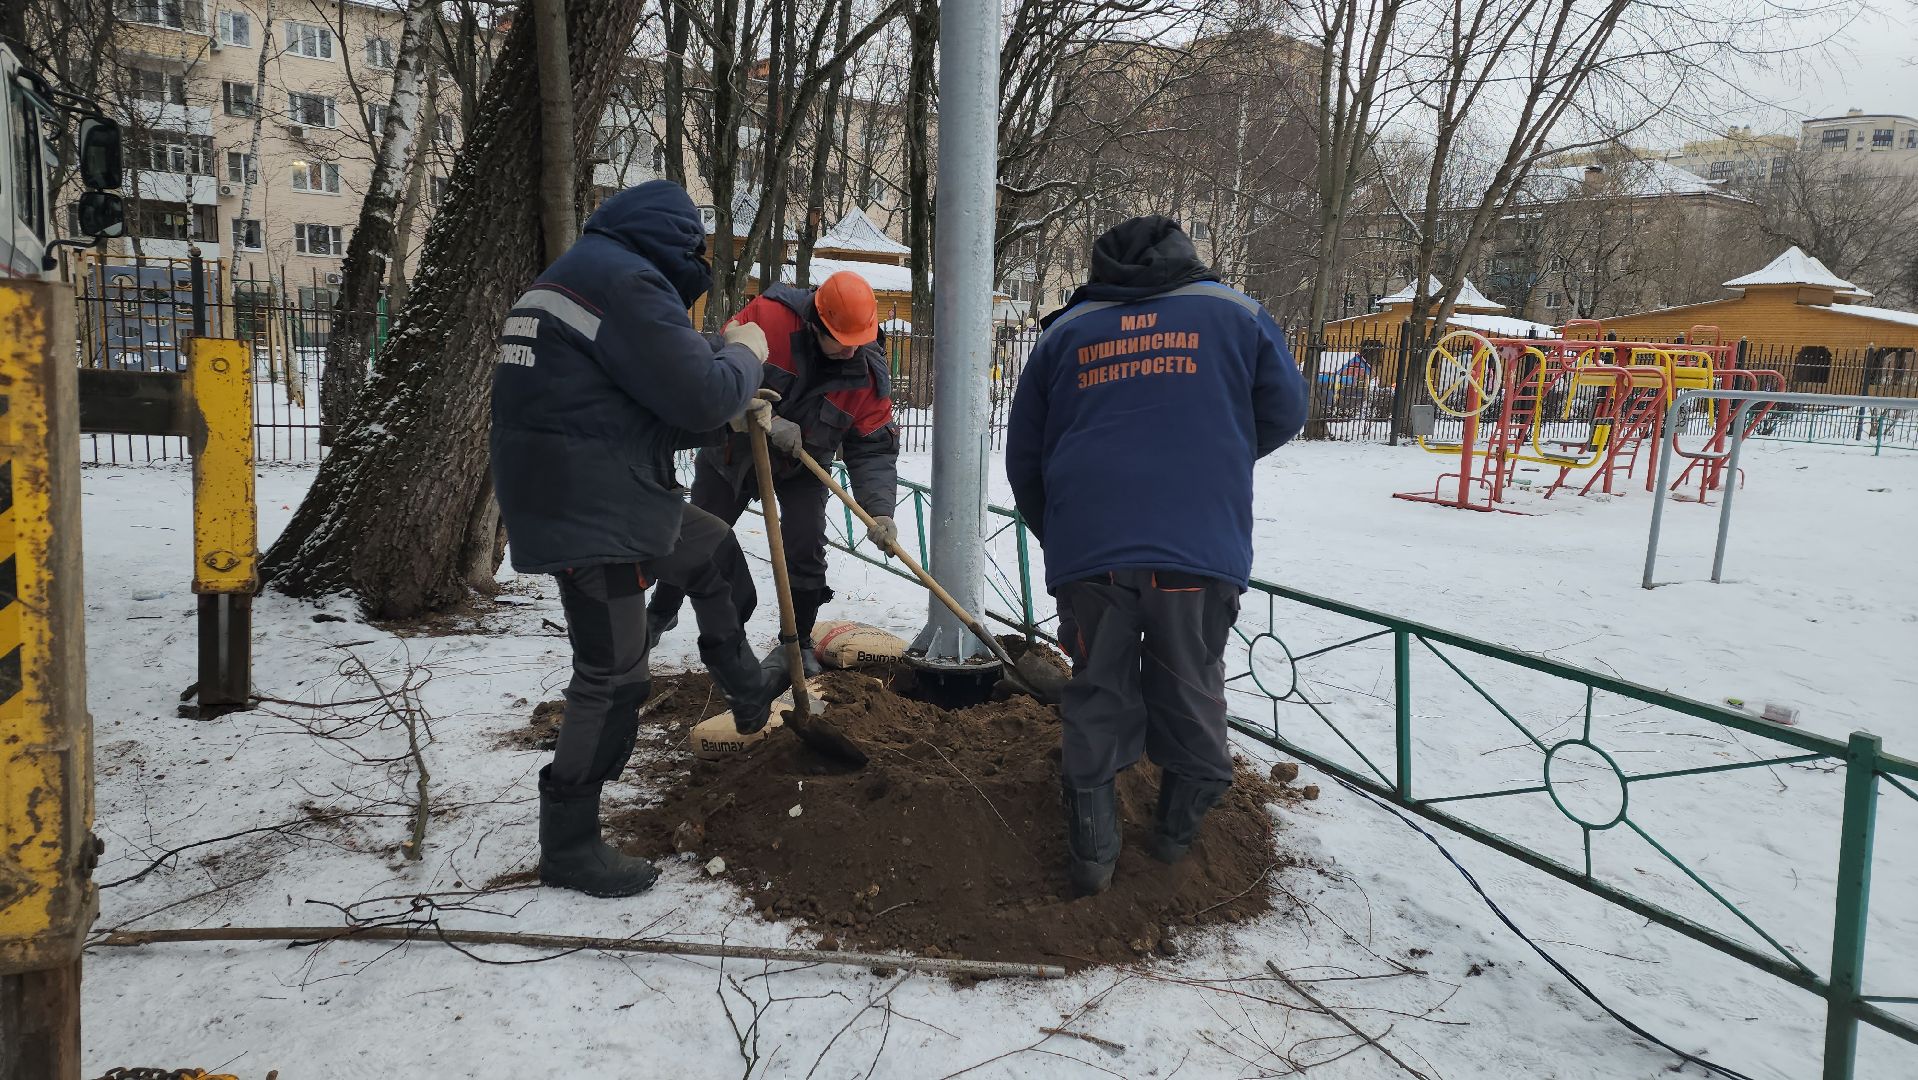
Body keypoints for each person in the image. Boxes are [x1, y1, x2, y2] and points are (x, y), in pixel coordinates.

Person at [490, 180, 792, 898]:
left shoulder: (592, 272)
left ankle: (747, 689)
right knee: (613, 674)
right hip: (588, 508)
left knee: (713, 549)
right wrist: (744, 355)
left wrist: (728, 399)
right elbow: (698, 394)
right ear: (676, 244)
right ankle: (570, 843)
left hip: (602, 484)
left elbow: (633, 402)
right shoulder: (623, 281)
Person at [1005, 215, 1307, 896]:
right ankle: (1173, 839)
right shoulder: (1237, 314)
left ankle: (1092, 859)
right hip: (1196, 550)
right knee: (1191, 681)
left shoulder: (1065, 332)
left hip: (1095, 554)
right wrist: (1213, 457)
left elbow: (1025, 456)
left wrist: (1067, 537)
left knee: (1097, 686)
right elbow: (1286, 410)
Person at [645, 270, 900, 675]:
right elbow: (714, 368)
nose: (851, 350)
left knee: (806, 544)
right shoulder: (769, 318)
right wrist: (764, 416)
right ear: (817, 322)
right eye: (842, 340)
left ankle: (796, 644)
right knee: (698, 535)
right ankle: (659, 614)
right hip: (732, 452)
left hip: (803, 467)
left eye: (859, 341)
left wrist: (880, 510)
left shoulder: (866, 374)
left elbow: (873, 447)